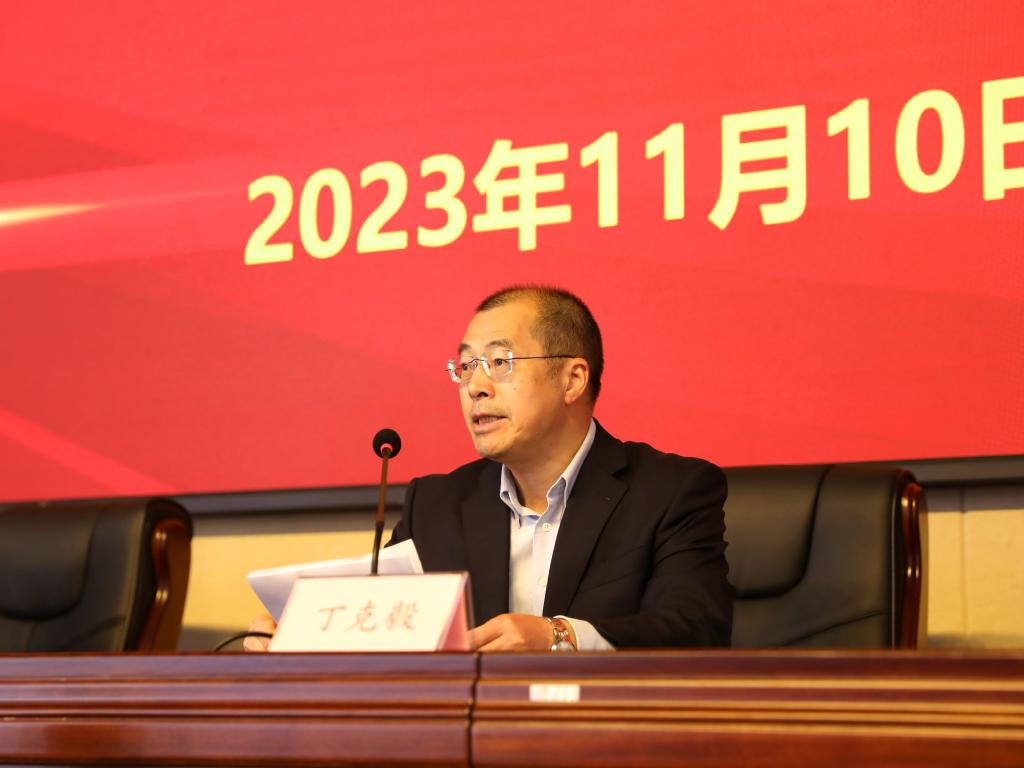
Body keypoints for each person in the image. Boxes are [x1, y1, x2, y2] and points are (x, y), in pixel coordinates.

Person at [246, 285, 731, 651]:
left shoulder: (670, 491)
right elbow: (391, 632)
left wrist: (558, 636)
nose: (475, 386)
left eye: (500, 362)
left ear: (572, 379)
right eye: (465, 366)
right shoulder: (436, 504)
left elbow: (696, 629)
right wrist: (303, 637)